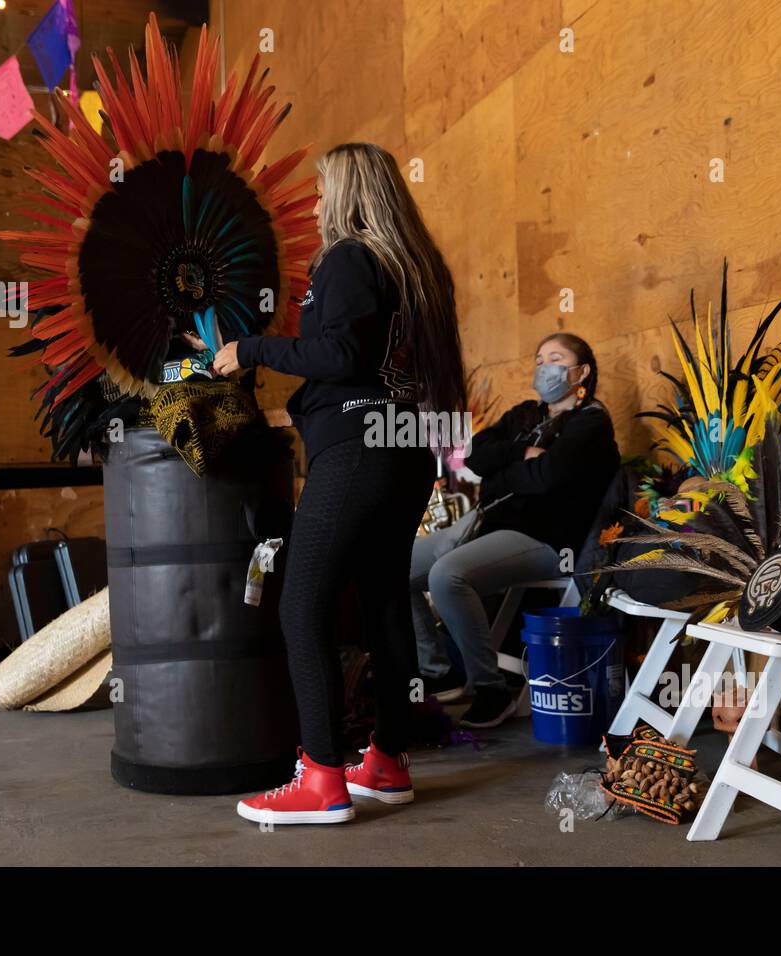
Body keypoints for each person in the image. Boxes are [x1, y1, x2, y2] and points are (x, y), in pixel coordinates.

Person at [212, 142, 466, 825]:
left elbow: (341, 355)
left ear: (350, 195)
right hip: (402, 452)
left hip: (355, 450)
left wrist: (253, 349)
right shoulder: (416, 270)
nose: (317, 204)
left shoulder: (350, 258)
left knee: (301, 605)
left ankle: (321, 777)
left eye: (323, 191)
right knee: (384, 604)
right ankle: (385, 758)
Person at [410, 333, 619, 728]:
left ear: (582, 371)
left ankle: (490, 689)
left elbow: (547, 478)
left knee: (447, 575)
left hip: (548, 540)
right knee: (390, 564)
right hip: (489, 525)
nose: (544, 367)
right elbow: (475, 453)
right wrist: (521, 454)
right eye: (540, 359)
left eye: (556, 358)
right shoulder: (526, 415)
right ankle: (438, 669)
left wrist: (501, 473)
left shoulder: (591, 424)